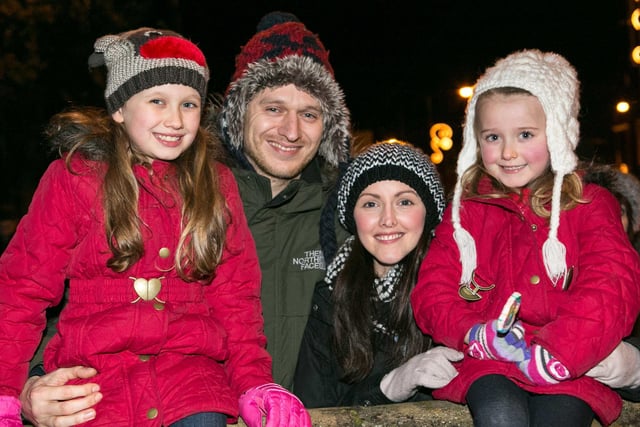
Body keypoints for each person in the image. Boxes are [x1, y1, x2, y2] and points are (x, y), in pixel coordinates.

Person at [20, 11, 350, 426]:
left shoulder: (349, 219)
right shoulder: (177, 188)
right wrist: (27, 385)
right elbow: (43, 294)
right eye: (274, 107)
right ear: (239, 113)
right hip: (124, 394)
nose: (291, 130)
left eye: (310, 113)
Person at [410, 49, 640, 427]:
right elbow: (433, 290)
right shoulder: (466, 215)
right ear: (475, 141)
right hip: (489, 361)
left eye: (526, 134)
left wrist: (562, 351)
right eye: (493, 137)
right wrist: (473, 334)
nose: (509, 151)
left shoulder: (589, 205)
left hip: (568, 365)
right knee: (499, 414)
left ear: (557, 136)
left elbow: (611, 286)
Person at [293, 141, 463, 408]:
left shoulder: (454, 291)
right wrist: (387, 387)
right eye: (371, 204)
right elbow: (315, 409)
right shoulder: (330, 296)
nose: (387, 219)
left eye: (404, 202)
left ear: (428, 213)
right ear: (352, 217)